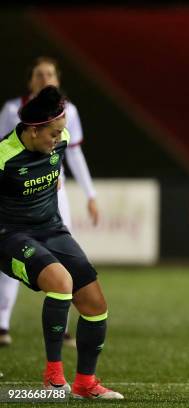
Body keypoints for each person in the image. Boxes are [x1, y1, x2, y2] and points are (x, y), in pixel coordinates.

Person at [0, 86, 122, 399]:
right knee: (61, 282)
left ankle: (85, 383)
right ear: (32, 129)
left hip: (53, 231)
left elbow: (54, 175)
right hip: (11, 236)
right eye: (53, 134)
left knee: (95, 305)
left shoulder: (61, 141)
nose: (59, 139)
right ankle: (53, 376)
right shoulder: (4, 157)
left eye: (61, 132)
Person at [0, 56, 99, 348]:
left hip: (52, 193)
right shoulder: (11, 109)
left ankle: (64, 326)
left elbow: (74, 152)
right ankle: (2, 323)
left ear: (57, 79)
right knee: (13, 256)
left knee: (64, 255)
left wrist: (90, 194)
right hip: (15, 194)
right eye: (39, 75)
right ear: (31, 80)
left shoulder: (69, 112)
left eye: (50, 75)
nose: (45, 80)